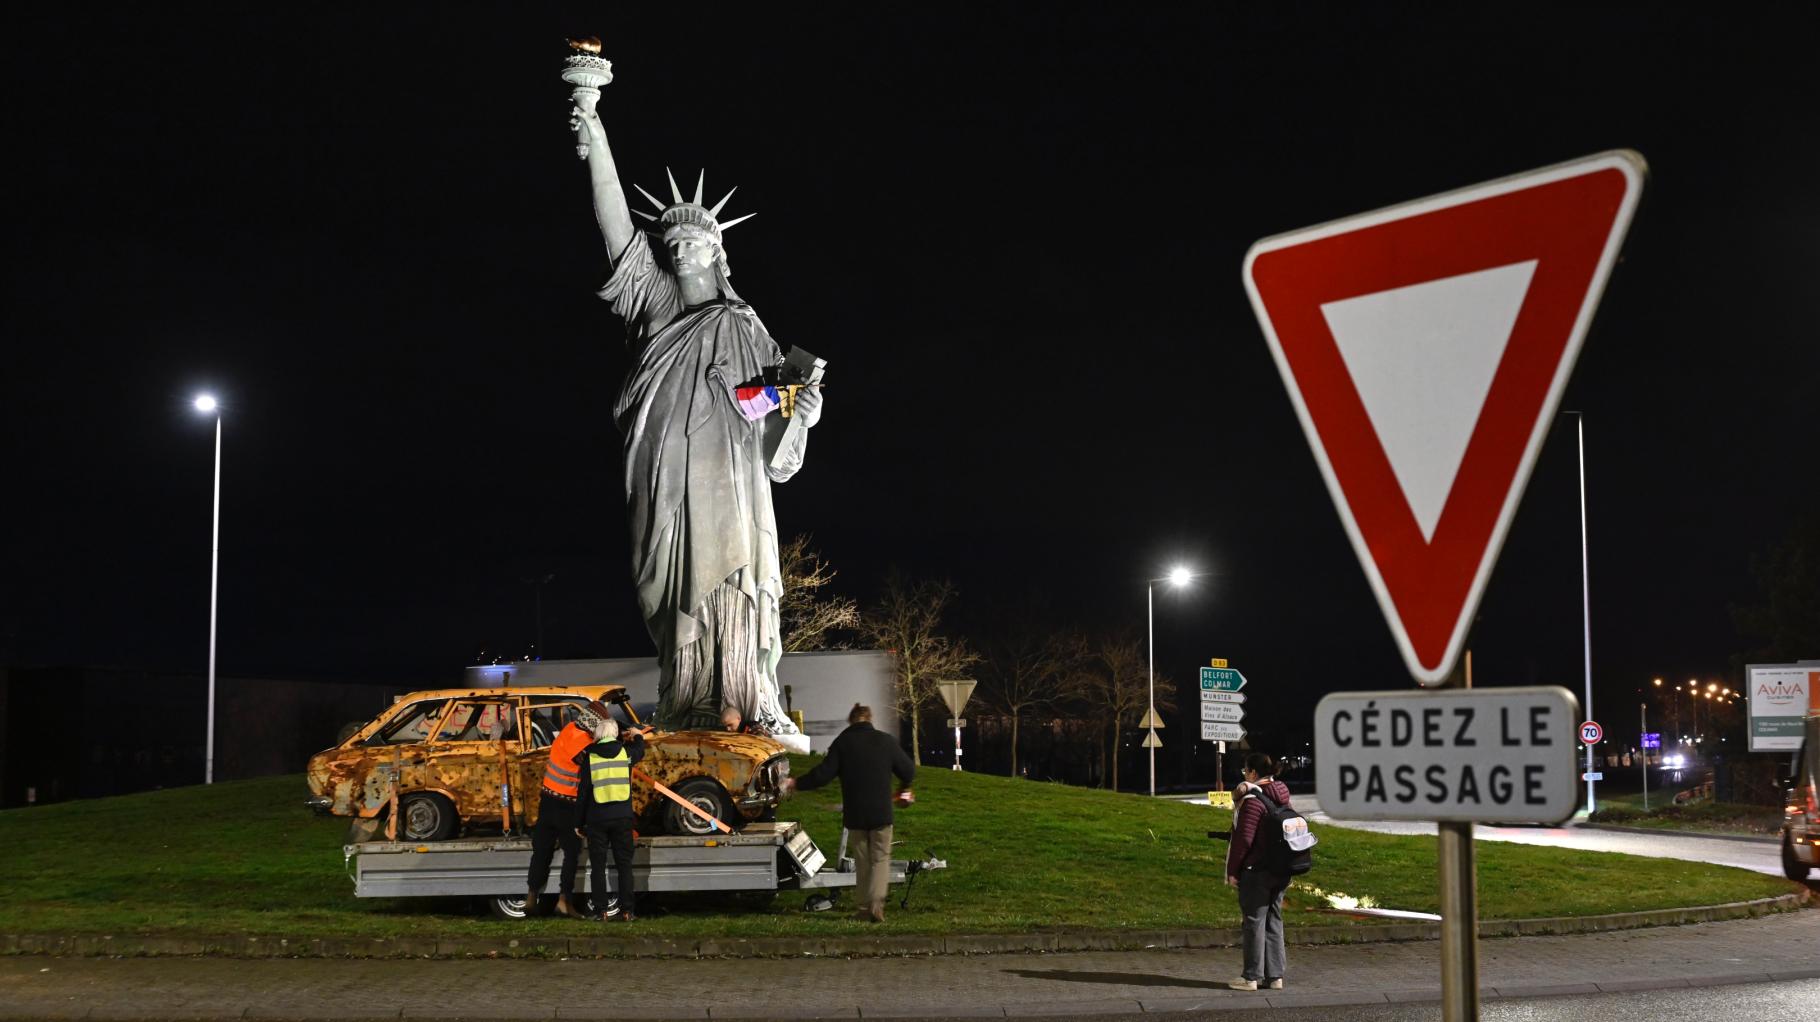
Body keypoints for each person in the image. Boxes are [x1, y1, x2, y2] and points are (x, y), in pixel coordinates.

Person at [568, 89, 820, 752]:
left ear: (716, 252)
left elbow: (762, 419)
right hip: (665, 473)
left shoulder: (745, 325)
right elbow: (616, 227)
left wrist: (800, 407)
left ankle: (744, 700)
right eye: (671, 242)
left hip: (730, 481)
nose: (679, 250)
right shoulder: (653, 304)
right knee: (668, 578)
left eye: (692, 242)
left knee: (736, 580)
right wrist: (594, 133)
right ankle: (687, 697)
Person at [782, 704, 914, 922]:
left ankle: (863, 908)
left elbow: (822, 775)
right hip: (882, 813)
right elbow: (908, 770)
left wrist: (797, 783)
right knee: (881, 859)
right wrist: (904, 788)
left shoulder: (843, 743)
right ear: (870, 719)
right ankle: (877, 904)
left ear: (851, 721)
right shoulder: (886, 741)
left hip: (856, 815)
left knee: (862, 862)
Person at [525, 700, 611, 919]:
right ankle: (564, 901)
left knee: (541, 851)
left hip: (547, 800)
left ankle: (531, 897)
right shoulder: (582, 744)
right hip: (567, 806)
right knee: (571, 853)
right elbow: (594, 761)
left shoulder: (569, 729)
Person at [1225, 753, 1292, 991]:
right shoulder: (1282, 795)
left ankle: (1250, 977)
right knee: (1274, 920)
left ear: (1253, 773)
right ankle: (1275, 977)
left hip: (1258, 871)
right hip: (1282, 869)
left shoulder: (1253, 801)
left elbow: (1243, 840)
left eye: (1246, 771)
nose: (1245, 775)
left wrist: (1233, 871)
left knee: (1253, 921)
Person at [575, 714, 647, 922]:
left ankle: (601, 911)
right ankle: (627, 911)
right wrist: (638, 735)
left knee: (597, 866)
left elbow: (583, 793)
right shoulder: (625, 753)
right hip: (622, 818)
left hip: (597, 819)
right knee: (624, 865)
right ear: (615, 734)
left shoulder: (589, 756)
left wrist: (578, 823)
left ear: (598, 735)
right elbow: (640, 750)